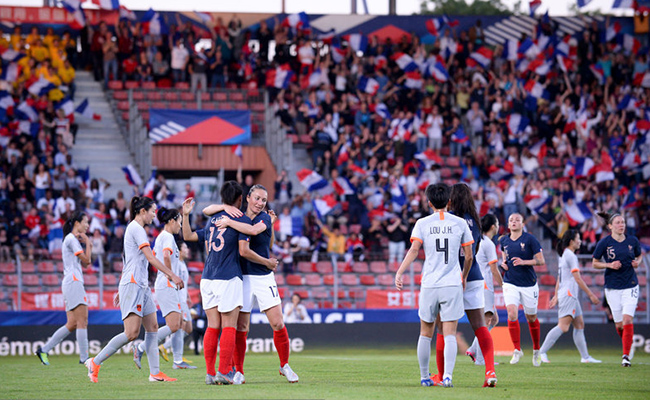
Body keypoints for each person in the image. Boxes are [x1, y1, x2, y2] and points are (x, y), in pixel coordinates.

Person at [85, 196, 183, 383]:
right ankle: (94, 362)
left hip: (140, 284)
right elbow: (152, 259)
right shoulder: (136, 228)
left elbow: (128, 261)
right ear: (143, 211)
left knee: (153, 327)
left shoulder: (137, 229)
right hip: (134, 284)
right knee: (131, 334)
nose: (155, 215)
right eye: (153, 211)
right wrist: (172, 275)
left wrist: (120, 288)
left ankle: (155, 373)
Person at [209, 184, 297, 385]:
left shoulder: (263, 217)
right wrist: (229, 217)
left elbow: (261, 237)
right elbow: (243, 250)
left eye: (263, 200)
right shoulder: (238, 217)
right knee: (242, 327)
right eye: (257, 198)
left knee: (277, 322)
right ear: (247, 198)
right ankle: (238, 371)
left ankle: (284, 365)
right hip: (242, 277)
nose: (260, 203)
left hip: (264, 277)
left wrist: (230, 222)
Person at [181, 181, 264, 385]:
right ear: (239, 199)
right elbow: (245, 247)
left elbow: (187, 236)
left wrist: (185, 215)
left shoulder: (212, 220)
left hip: (208, 277)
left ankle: (210, 374)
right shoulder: (240, 219)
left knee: (212, 325)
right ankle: (224, 371)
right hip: (228, 277)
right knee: (229, 326)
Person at [394, 183, 475, 388]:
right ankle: (447, 376)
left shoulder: (422, 223)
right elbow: (469, 256)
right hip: (451, 284)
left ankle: (424, 377)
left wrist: (400, 271)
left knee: (425, 332)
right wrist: (463, 276)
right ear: (449, 201)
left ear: (429, 202)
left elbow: (414, 250)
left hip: (429, 284)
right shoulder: (460, 223)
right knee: (449, 333)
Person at [434, 183, 496, 387]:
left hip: (453, 278)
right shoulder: (475, 222)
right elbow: (473, 252)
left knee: (443, 327)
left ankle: (442, 375)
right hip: (475, 277)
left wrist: (461, 276)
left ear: (452, 199)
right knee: (480, 326)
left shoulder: (450, 221)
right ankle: (490, 371)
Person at [133, 208, 196, 370]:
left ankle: (177, 361)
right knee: (175, 325)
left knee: (179, 324)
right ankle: (140, 348)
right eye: (180, 222)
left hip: (165, 284)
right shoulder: (167, 237)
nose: (180, 226)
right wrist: (171, 276)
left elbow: (156, 257)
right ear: (172, 221)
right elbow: (166, 256)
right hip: (167, 284)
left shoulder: (161, 237)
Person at [35, 212, 92, 365]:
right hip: (73, 281)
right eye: (85, 222)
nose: (87, 225)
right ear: (77, 223)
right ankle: (84, 358)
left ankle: (44, 350)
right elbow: (87, 260)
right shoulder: (71, 239)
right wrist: (89, 244)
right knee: (82, 321)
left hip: (69, 282)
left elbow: (86, 264)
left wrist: (87, 245)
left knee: (72, 323)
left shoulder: (71, 240)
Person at [539, 229, 601, 364]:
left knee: (579, 324)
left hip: (569, 294)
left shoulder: (565, 255)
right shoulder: (570, 256)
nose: (580, 241)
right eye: (578, 238)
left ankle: (585, 358)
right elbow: (577, 279)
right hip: (568, 294)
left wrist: (556, 295)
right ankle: (541, 352)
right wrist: (591, 294)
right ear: (572, 241)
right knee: (563, 326)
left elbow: (559, 278)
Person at [592, 211, 643, 367]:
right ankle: (628, 344)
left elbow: (639, 256)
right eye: (618, 223)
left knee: (628, 319)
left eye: (623, 222)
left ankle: (625, 356)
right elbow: (595, 263)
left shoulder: (632, 241)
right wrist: (609, 265)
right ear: (610, 226)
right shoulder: (604, 243)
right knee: (619, 325)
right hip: (612, 287)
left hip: (630, 285)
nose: (622, 225)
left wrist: (638, 262)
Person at [499, 213, 545, 366]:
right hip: (510, 282)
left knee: (531, 317)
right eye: (511, 220)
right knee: (512, 313)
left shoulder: (530, 239)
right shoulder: (504, 240)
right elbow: (504, 258)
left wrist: (524, 261)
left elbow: (541, 261)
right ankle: (517, 350)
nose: (514, 222)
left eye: (517, 220)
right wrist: (503, 264)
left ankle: (536, 350)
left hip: (528, 283)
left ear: (522, 223)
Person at [466, 214, 502, 367]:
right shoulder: (488, 244)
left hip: (479, 283)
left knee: (493, 319)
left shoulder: (478, 240)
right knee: (486, 322)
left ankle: (473, 349)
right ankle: (480, 359)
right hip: (485, 285)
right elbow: (493, 269)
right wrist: (504, 285)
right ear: (493, 226)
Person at [160, 242, 195, 367]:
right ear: (179, 251)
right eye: (185, 247)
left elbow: (182, 282)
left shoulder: (182, 263)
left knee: (188, 328)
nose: (187, 249)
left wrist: (188, 296)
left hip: (183, 298)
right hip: (178, 299)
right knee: (181, 326)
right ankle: (176, 358)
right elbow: (175, 280)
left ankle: (168, 349)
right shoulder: (177, 265)